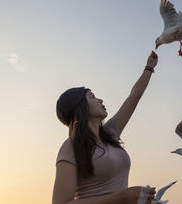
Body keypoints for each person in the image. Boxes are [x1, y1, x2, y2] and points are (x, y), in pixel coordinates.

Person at [52, 51, 159, 204]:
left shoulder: (111, 132)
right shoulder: (70, 146)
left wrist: (149, 68)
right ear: (80, 106)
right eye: (93, 96)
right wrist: (123, 197)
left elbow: (134, 96)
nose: (101, 100)